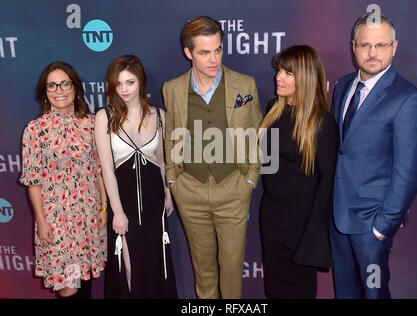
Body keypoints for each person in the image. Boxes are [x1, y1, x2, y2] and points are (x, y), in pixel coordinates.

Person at [330, 14, 417, 299]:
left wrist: (382, 226)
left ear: (394, 47)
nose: (372, 53)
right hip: (337, 219)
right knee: (345, 294)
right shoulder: (343, 86)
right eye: (365, 45)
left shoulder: (409, 99)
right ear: (353, 46)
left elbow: (409, 171)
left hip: (371, 225)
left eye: (381, 45)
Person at [162, 16, 262, 299]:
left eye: (218, 49)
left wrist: (250, 180)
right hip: (189, 191)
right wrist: (173, 179)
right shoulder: (172, 89)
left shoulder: (245, 85)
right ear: (188, 53)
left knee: (231, 273)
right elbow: (171, 136)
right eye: (204, 52)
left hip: (233, 189)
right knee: (203, 273)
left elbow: (256, 134)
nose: (214, 59)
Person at [20, 61, 107, 299]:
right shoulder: (35, 130)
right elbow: (33, 181)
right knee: (69, 288)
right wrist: (42, 222)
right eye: (52, 86)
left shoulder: (92, 124)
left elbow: (99, 170)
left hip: (88, 216)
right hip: (57, 221)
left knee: (86, 279)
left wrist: (103, 206)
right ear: (45, 92)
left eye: (65, 84)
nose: (59, 90)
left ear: (75, 87)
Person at [259, 45, 338, 298]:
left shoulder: (321, 122)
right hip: (271, 218)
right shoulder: (273, 108)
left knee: (299, 291)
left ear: (304, 77)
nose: (278, 77)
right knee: (273, 288)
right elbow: (266, 163)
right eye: (280, 71)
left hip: (302, 226)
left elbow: (327, 183)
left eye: (288, 73)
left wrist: (312, 233)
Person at [95, 55, 177, 298]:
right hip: (125, 204)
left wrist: (168, 194)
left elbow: (163, 162)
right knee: (128, 267)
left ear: (141, 82)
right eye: (118, 84)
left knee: (156, 265)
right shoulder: (104, 117)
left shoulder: (160, 116)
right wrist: (117, 211)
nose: (124, 90)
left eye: (130, 82)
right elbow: (107, 170)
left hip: (154, 205)